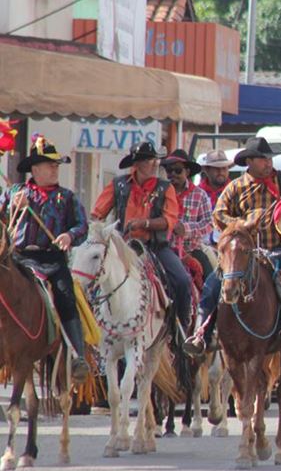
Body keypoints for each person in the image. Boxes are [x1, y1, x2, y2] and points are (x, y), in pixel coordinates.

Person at [183, 137, 281, 363]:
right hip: (245, 253)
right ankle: (201, 335)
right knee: (211, 287)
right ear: (250, 161)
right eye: (263, 159)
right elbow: (219, 214)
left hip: (280, 250)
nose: (268, 163)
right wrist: (242, 224)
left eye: (269, 159)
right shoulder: (236, 187)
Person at [0, 134, 89, 383]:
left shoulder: (67, 197)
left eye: (56, 165)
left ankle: (77, 355)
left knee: (65, 296)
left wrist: (69, 237)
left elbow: (83, 225)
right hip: (19, 260)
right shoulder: (15, 192)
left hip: (52, 260)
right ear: (35, 169)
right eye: (51, 165)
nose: (55, 169)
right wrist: (10, 206)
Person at [91, 140, 193, 335]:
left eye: (155, 160)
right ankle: (93, 328)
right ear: (136, 164)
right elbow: (97, 214)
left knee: (181, 280)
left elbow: (170, 219)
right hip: (123, 247)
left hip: (155, 247)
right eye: (149, 161)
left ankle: (182, 330)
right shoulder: (118, 185)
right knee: (92, 277)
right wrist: (97, 231)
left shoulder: (165, 188)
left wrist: (143, 223)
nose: (155, 164)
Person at [160, 149, 214, 279]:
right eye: (169, 171)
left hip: (192, 249)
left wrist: (186, 229)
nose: (173, 174)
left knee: (213, 283)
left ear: (187, 172)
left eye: (178, 170)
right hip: (163, 248)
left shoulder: (199, 194)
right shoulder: (159, 192)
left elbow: (208, 223)